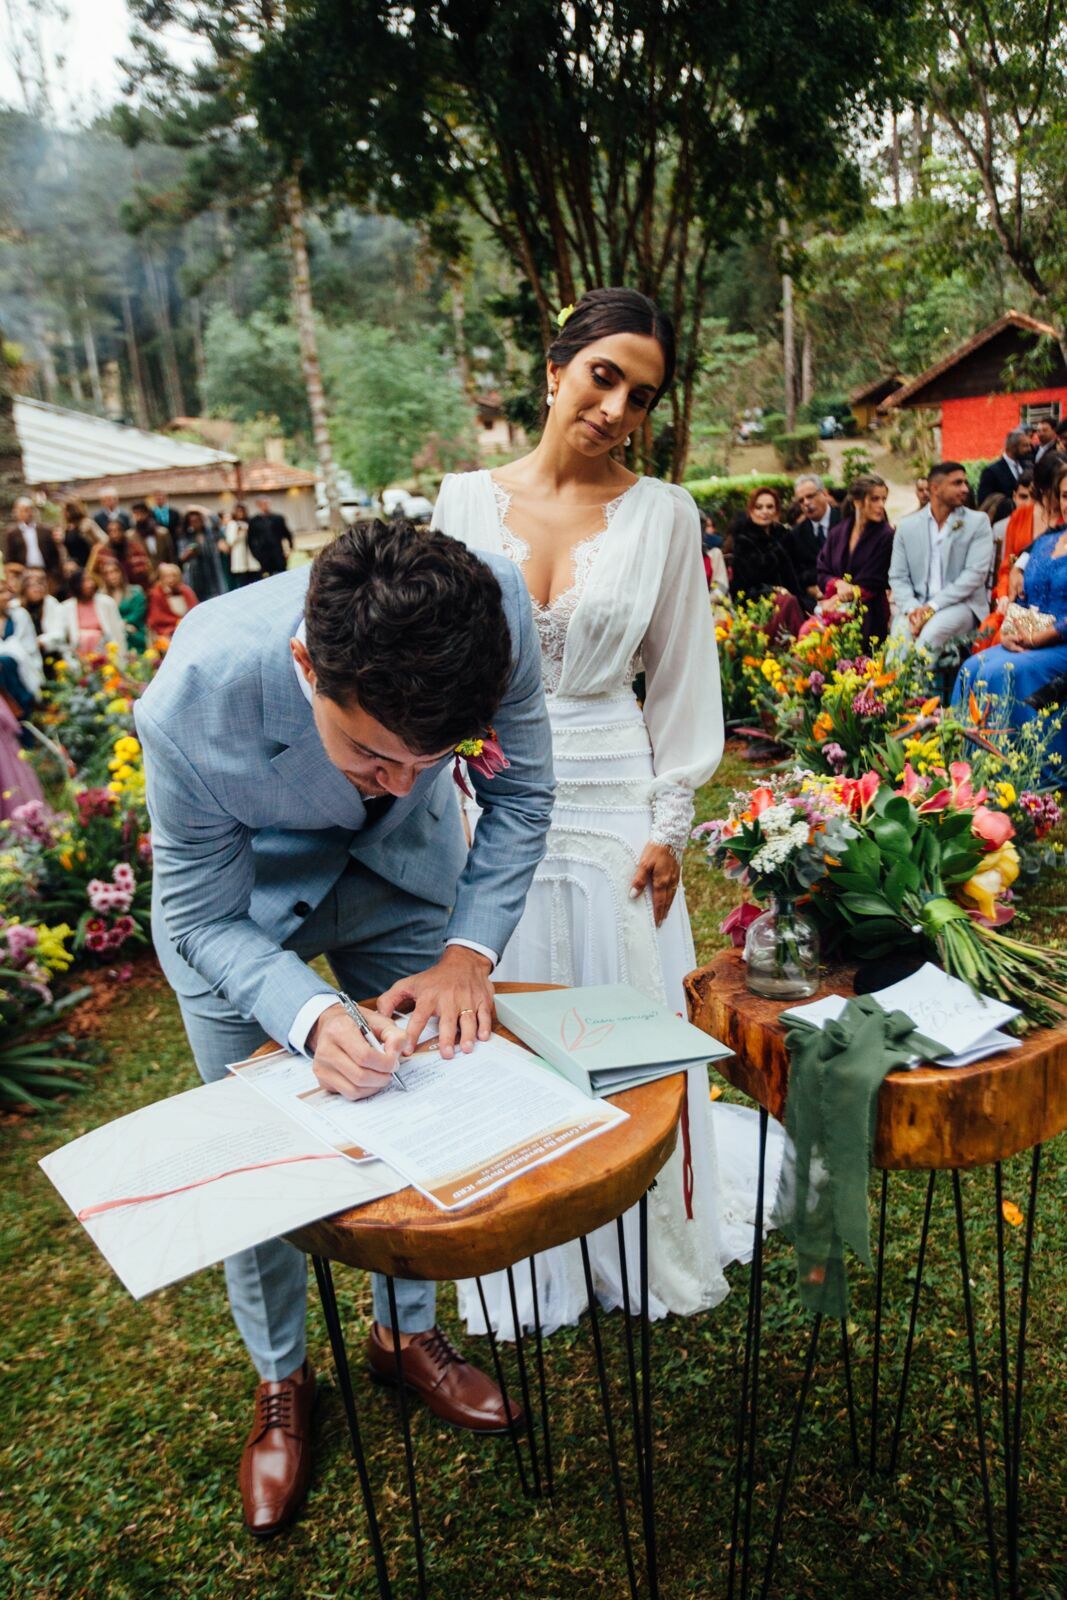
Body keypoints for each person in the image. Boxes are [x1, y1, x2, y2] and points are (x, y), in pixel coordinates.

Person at [135, 519, 554, 1536]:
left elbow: (521, 789)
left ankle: (403, 1334)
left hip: (402, 877)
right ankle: (282, 1377)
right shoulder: (195, 694)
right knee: (256, 1158)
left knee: (422, 1091)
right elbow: (195, 916)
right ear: (302, 665)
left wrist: (468, 952)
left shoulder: (493, 609)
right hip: (239, 911)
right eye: (372, 750)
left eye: (430, 757)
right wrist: (305, 1010)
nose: (404, 779)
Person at [433, 286, 771, 1341]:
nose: (619, 406)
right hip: (485, 805)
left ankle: (643, 1237)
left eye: (642, 394)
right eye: (603, 376)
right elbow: (437, 672)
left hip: (615, 794)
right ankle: (526, 1241)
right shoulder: (456, 500)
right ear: (554, 370)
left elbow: (678, 682)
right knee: (506, 1023)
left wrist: (668, 822)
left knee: (623, 1024)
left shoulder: (665, 516)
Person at [954, 465, 1067, 778]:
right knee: (972, 668)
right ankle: (973, 770)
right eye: (1066, 495)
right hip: (1028, 637)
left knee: (1005, 672)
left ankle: (1023, 770)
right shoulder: (1047, 542)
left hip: (1060, 642)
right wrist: (1009, 632)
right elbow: (1021, 595)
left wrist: (1042, 637)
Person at [888, 461, 993, 661]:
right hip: (917, 603)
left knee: (931, 634)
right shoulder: (907, 526)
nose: (965, 489)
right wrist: (912, 609)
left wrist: (932, 607)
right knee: (900, 635)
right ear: (935, 488)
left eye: (965, 483)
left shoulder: (977, 522)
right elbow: (898, 576)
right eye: (957, 483)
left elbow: (975, 575)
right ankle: (893, 691)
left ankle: (913, 691)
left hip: (963, 606)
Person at [974, 455, 1066, 652]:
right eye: (1058, 492)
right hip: (1015, 599)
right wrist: (1005, 594)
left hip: (1049, 609)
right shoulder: (1021, 516)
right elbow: (1008, 563)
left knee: (1001, 641)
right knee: (988, 631)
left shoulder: (1063, 524)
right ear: (1043, 489)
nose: (1059, 499)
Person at [812, 474, 895, 647]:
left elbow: (874, 580)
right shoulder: (838, 531)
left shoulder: (886, 535)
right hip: (833, 608)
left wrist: (838, 599)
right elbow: (822, 569)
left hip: (869, 612)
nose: (881, 505)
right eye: (874, 499)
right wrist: (837, 584)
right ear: (857, 502)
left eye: (883, 500)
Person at [724, 485, 806, 636]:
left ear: (776, 511)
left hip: (790, 598)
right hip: (756, 602)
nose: (765, 512)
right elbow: (749, 579)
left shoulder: (783, 535)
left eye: (770, 507)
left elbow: (797, 571)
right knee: (788, 602)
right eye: (759, 507)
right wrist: (775, 590)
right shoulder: (743, 539)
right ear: (751, 510)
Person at [789, 473, 841, 606]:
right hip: (815, 601)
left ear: (824, 494)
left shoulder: (845, 520)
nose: (806, 503)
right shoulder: (797, 534)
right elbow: (798, 573)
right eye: (801, 500)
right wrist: (813, 590)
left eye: (810, 496)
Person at [58, 568, 127, 662]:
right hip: (79, 658)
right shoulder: (65, 607)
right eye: (84, 581)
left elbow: (118, 631)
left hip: (105, 655)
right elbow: (63, 637)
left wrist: (122, 657)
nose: (89, 584)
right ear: (76, 585)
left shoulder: (106, 602)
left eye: (90, 580)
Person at [0, 573, 43, 713]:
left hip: (24, 677)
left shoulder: (19, 615)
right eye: (1, 592)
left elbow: (28, 648)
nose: (7, 596)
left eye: (7, 591)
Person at [3, 497, 64, 591]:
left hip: (45, 572)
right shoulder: (12, 533)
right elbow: (9, 559)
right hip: (24, 574)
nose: (28, 513)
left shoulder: (45, 530)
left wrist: (54, 574)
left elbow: (55, 555)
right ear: (17, 512)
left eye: (30, 509)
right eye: (24, 510)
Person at [96, 553, 147, 653]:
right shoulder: (101, 596)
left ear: (121, 573)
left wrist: (123, 624)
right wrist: (121, 626)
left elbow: (137, 614)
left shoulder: (135, 592)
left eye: (115, 572)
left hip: (135, 634)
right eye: (107, 573)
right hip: (111, 634)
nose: (112, 576)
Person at [18, 569, 66, 673]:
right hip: (24, 653)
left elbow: (59, 633)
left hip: (49, 651)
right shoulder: (16, 607)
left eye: (40, 584)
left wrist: (40, 642)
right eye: (32, 585)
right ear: (24, 589)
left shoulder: (52, 603)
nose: (37, 588)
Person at [178, 506, 230, 600]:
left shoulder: (210, 533)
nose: (196, 523)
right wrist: (189, 553)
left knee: (217, 599)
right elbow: (181, 557)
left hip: (213, 573)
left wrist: (200, 509)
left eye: (198, 520)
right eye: (193, 521)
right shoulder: (186, 537)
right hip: (195, 576)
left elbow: (216, 521)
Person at [977, 428, 1033, 505]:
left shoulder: (1030, 467)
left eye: (1029, 445)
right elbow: (985, 502)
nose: (1029, 449)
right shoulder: (991, 472)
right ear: (1012, 447)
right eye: (1025, 446)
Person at [146, 562, 199, 643]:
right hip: (168, 633)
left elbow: (196, 611)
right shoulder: (156, 594)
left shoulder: (186, 591)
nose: (171, 580)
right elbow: (156, 619)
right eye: (166, 576)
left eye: (174, 576)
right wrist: (176, 622)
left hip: (189, 628)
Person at [247, 497, 294, 576]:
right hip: (264, 555)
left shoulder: (278, 518)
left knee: (283, 575)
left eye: (266, 503)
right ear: (258, 505)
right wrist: (256, 555)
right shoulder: (254, 521)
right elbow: (250, 539)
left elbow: (287, 534)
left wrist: (289, 549)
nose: (264, 506)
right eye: (262, 504)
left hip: (278, 553)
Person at [224, 501, 261, 587]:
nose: (240, 513)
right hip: (239, 558)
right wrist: (238, 533)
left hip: (251, 558)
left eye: (242, 511)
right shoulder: (232, 524)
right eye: (238, 511)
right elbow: (230, 541)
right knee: (243, 584)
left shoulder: (249, 522)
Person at [61, 498, 104, 569]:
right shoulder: (66, 528)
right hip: (75, 565)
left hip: (89, 562)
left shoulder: (86, 523)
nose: (63, 513)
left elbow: (103, 539)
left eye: (65, 510)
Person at [131, 500, 176, 567]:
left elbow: (171, 555)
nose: (139, 516)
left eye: (141, 512)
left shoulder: (162, 533)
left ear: (147, 513)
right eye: (136, 513)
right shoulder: (131, 536)